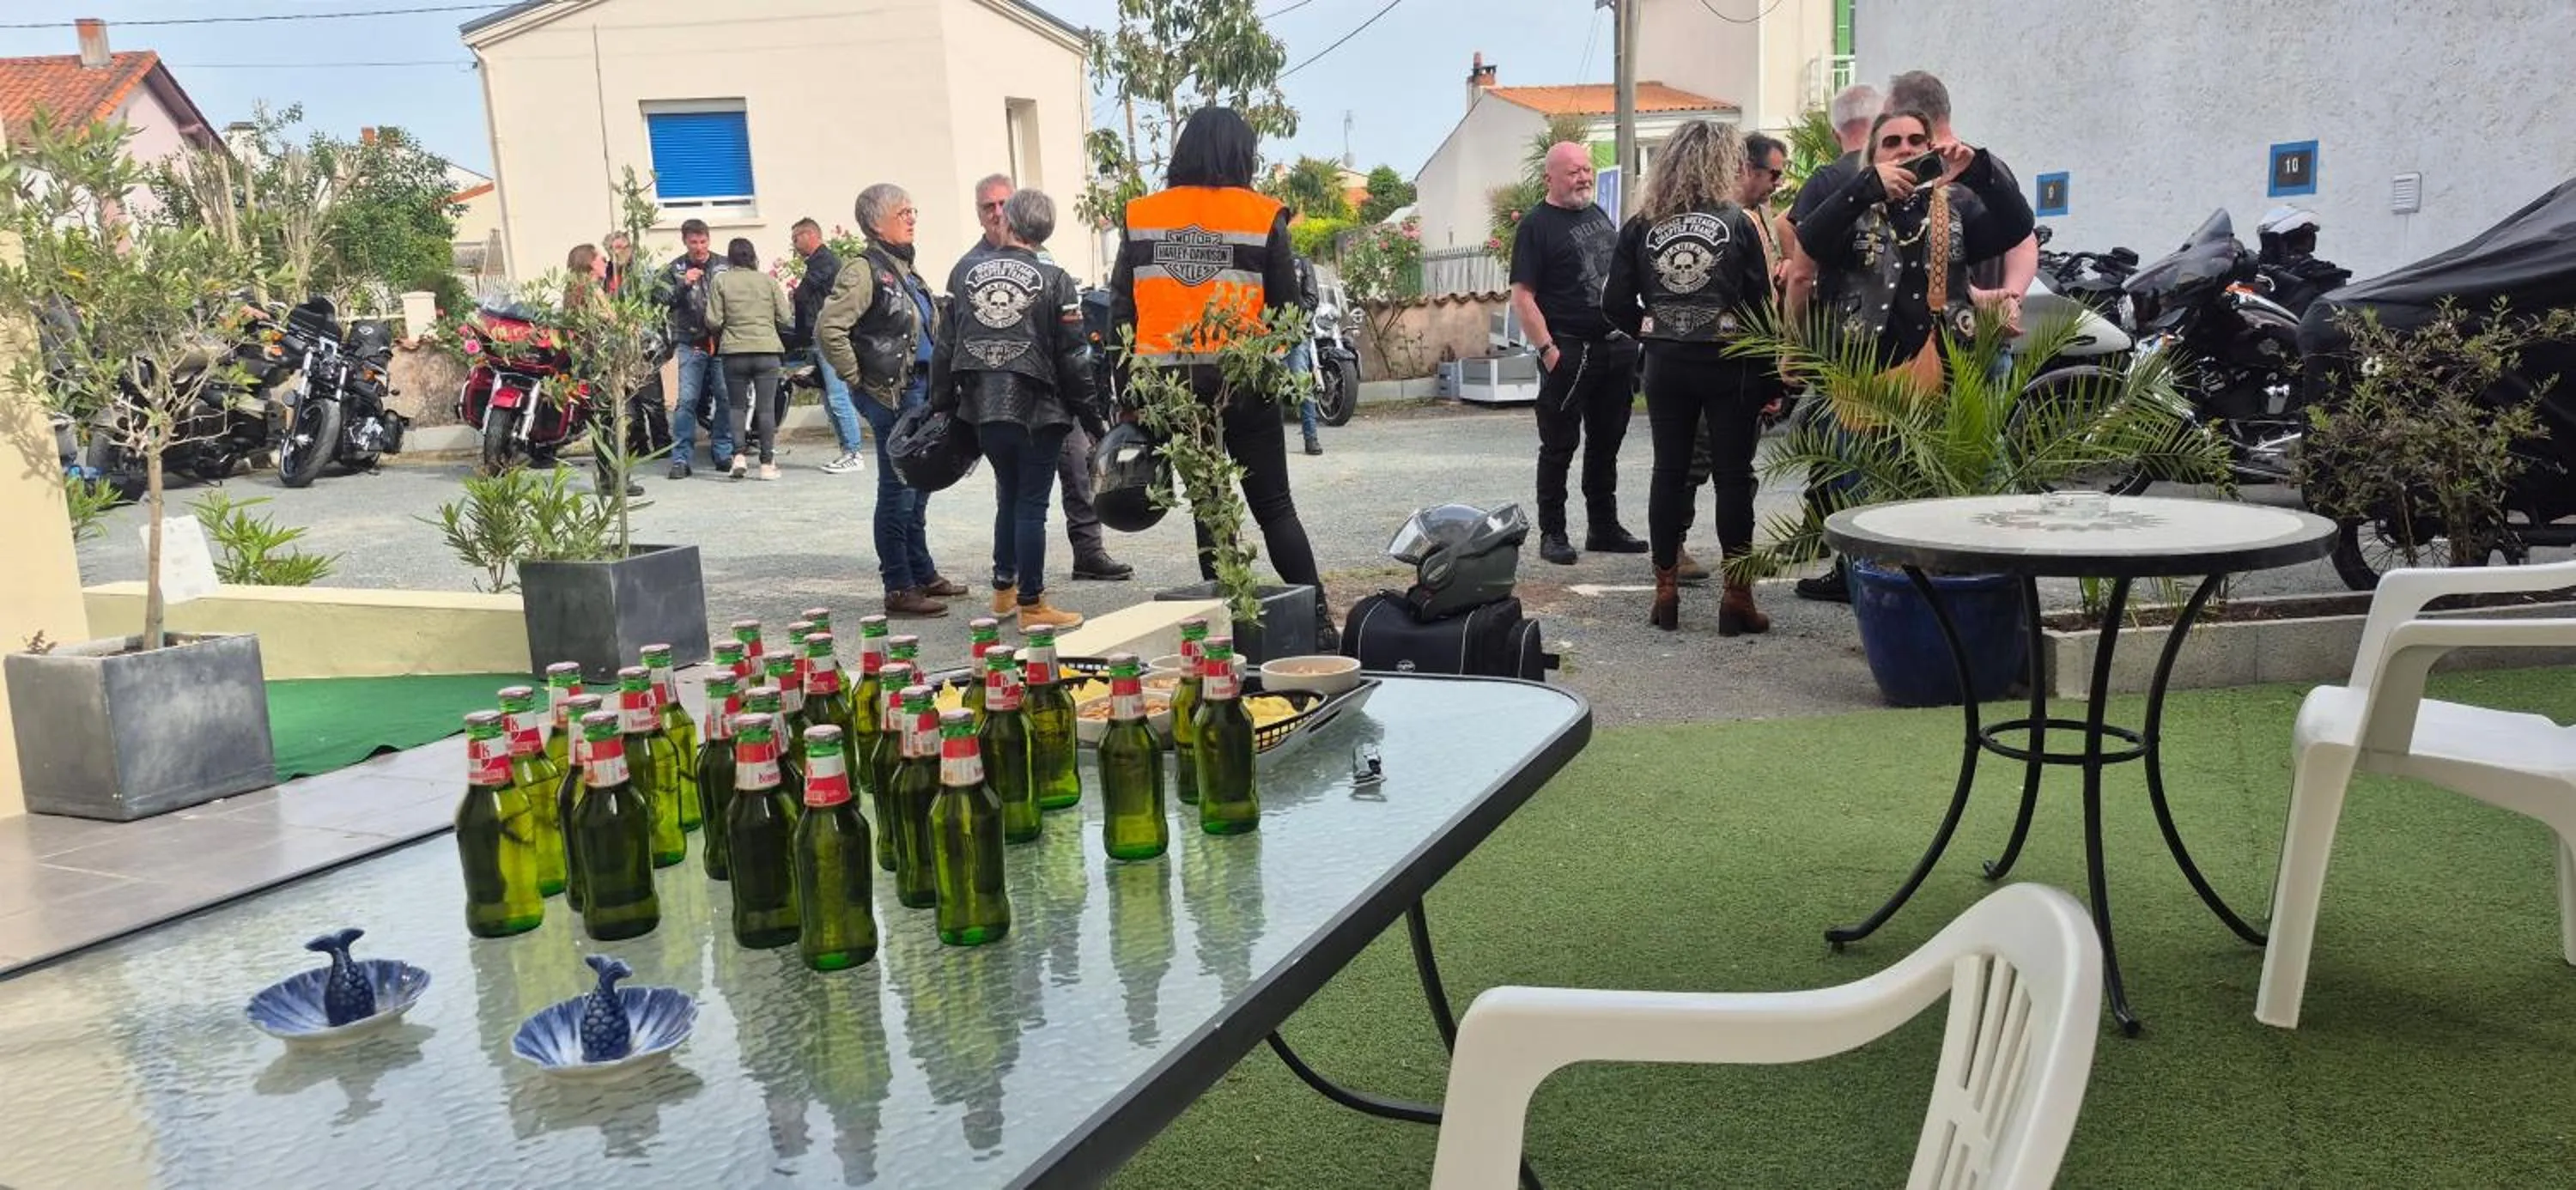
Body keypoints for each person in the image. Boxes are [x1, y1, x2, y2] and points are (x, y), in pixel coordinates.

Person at [1109, 106, 1338, 649]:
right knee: (1274, 506)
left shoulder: (1142, 214)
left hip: (1169, 390)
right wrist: (1264, 360)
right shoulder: (1260, 215)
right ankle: (1320, 623)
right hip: (1244, 383)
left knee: (1211, 510)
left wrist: (1130, 397)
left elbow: (1121, 310)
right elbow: (1290, 310)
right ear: (1242, 154)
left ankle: (1227, 634)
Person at [1600, 120, 1776, 639]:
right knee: (1733, 477)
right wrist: (1771, 380)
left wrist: (1654, 330)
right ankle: (1736, 599)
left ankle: (1666, 594)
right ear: (1721, 162)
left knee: (1667, 474)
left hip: (1666, 365)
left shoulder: (1640, 225)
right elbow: (1761, 308)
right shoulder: (1737, 222)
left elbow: (1613, 304)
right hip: (1728, 363)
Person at [931, 187, 1097, 631]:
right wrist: (1092, 414)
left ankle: (1004, 588)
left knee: (1008, 495)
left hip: (983, 407)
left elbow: (945, 345)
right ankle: (1032, 603)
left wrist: (940, 404)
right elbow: (1075, 358)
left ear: (1010, 223)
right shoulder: (1057, 279)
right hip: (1040, 409)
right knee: (1031, 506)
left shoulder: (964, 273)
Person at [973, 173, 1133, 580]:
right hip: (1013, 402)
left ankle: (1085, 553)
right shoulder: (971, 268)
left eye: (1002, 205)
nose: (996, 213)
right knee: (1022, 499)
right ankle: (1022, 588)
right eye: (987, 207)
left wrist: (1085, 411)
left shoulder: (1049, 266)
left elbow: (1071, 350)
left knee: (1076, 470)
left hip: (1054, 398)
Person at [820, 182, 967, 619]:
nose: (912, 217)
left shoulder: (903, 268)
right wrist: (858, 379)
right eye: (902, 212)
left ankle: (921, 572)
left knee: (918, 487)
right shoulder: (863, 269)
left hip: (920, 392)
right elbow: (830, 329)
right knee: (898, 491)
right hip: (893, 396)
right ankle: (898, 586)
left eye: (912, 210)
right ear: (875, 222)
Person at [1511, 141, 1647, 567]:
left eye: (1587, 169)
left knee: (1606, 444)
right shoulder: (1536, 225)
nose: (1584, 178)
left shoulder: (1597, 214)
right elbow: (1523, 296)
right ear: (1549, 177)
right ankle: (1553, 533)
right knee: (1558, 446)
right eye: (1573, 172)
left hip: (1614, 350)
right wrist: (1549, 350)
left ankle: (1603, 527)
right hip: (1569, 350)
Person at [1671, 131, 1794, 587]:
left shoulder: (1760, 217)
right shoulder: (1718, 221)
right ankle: (1674, 546)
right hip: (1719, 359)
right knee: (1697, 460)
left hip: (1753, 358)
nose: (1778, 183)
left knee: (1739, 467)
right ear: (1746, 168)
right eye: (1773, 173)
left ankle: (1737, 556)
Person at [1886, 71, 2038, 343]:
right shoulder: (1987, 165)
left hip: (1953, 342)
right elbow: (2026, 242)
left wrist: (2006, 302)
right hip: (1976, 338)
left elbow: (2023, 235)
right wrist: (2010, 300)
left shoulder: (1965, 172)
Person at [706, 237, 791, 481]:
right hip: (767, 351)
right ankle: (766, 464)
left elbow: (713, 320)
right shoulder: (768, 281)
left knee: (736, 407)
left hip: (734, 352)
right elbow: (785, 317)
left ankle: (738, 458)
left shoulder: (721, 281)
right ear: (753, 257)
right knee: (765, 410)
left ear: (730, 258)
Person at [788, 217, 867, 475]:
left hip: (827, 337)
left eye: (796, 238)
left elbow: (805, 294)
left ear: (810, 235)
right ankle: (847, 450)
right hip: (817, 337)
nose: (794, 244)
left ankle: (854, 452)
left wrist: (796, 297)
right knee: (828, 397)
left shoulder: (824, 262)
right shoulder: (818, 262)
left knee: (837, 395)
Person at [662, 219, 733, 479]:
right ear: (685, 241)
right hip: (690, 343)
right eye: (694, 242)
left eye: (703, 241)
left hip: (722, 342)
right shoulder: (674, 269)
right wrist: (683, 284)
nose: (699, 247)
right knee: (686, 401)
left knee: (726, 397)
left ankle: (723, 451)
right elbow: (659, 299)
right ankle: (681, 458)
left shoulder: (724, 264)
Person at [2255, 205, 2352, 314]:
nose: (2301, 253)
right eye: (2297, 244)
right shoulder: (2258, 271)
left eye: (2304, 241)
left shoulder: (2323, 276)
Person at [1289, 252, 1326, 456]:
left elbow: (1312, 298)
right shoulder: (1264, 260)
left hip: (1297, 332)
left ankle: (1311, 438)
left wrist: (1293, 314)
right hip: (1267, 331)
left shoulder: (1301, 263)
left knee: (1302, 383)